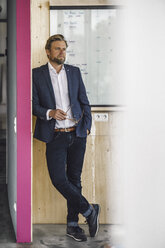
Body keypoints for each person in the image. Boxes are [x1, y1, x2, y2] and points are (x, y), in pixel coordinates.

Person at [32, 34, 100, 242]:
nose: (62, 52)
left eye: (64, 49)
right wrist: (50, 112)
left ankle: (73, 225)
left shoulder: (74, 72)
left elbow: (84, 101)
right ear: (48, 51)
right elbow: (32, 104)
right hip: (55, 136)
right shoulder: (37, 74)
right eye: (58, 49)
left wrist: (87, 127)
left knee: (74, 180)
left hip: (77, 134)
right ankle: (89, 210)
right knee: (59, 179)